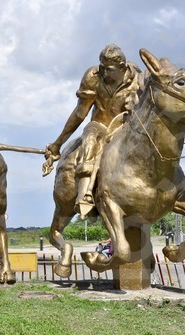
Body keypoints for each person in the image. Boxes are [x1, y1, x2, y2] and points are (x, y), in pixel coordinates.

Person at [42, 44, 140, 218]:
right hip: (99, 125)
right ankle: (84, 197)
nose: (103, 72)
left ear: (123, 67)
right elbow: (80, 114)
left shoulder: (136, 79)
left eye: (108, 69)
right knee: (90, 142)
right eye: (101, 67)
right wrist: (58, 144)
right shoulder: (93, 77)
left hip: (126, 128)